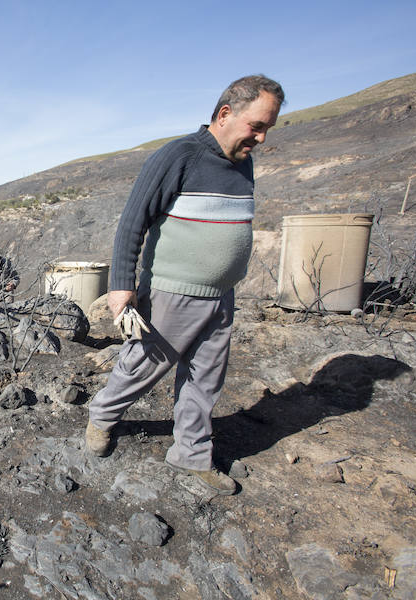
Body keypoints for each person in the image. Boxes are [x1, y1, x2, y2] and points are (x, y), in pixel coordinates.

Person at [85, 75, 285, 495]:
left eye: (268, 128)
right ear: (226, 113)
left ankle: (191, 454)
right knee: (141, 367)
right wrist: (122, 286)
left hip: (221, 296)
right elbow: (133, 220)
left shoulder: (242, 161)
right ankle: (102, 417)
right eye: (257, 126)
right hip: (172, 292)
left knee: (205, 379)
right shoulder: (180, 155)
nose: (262, 138)